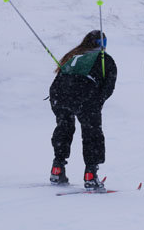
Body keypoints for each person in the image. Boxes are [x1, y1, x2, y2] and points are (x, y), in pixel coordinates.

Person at [48, 30, 117, 189]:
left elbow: (60, 78)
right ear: (101, 44)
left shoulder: (72, 56)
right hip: (84, 94)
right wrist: (97, 102)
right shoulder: (104, 59)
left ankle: (57, 168)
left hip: (58, 93)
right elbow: (108, 87)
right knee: (91, 131)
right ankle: (90, 173)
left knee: (64, 127)